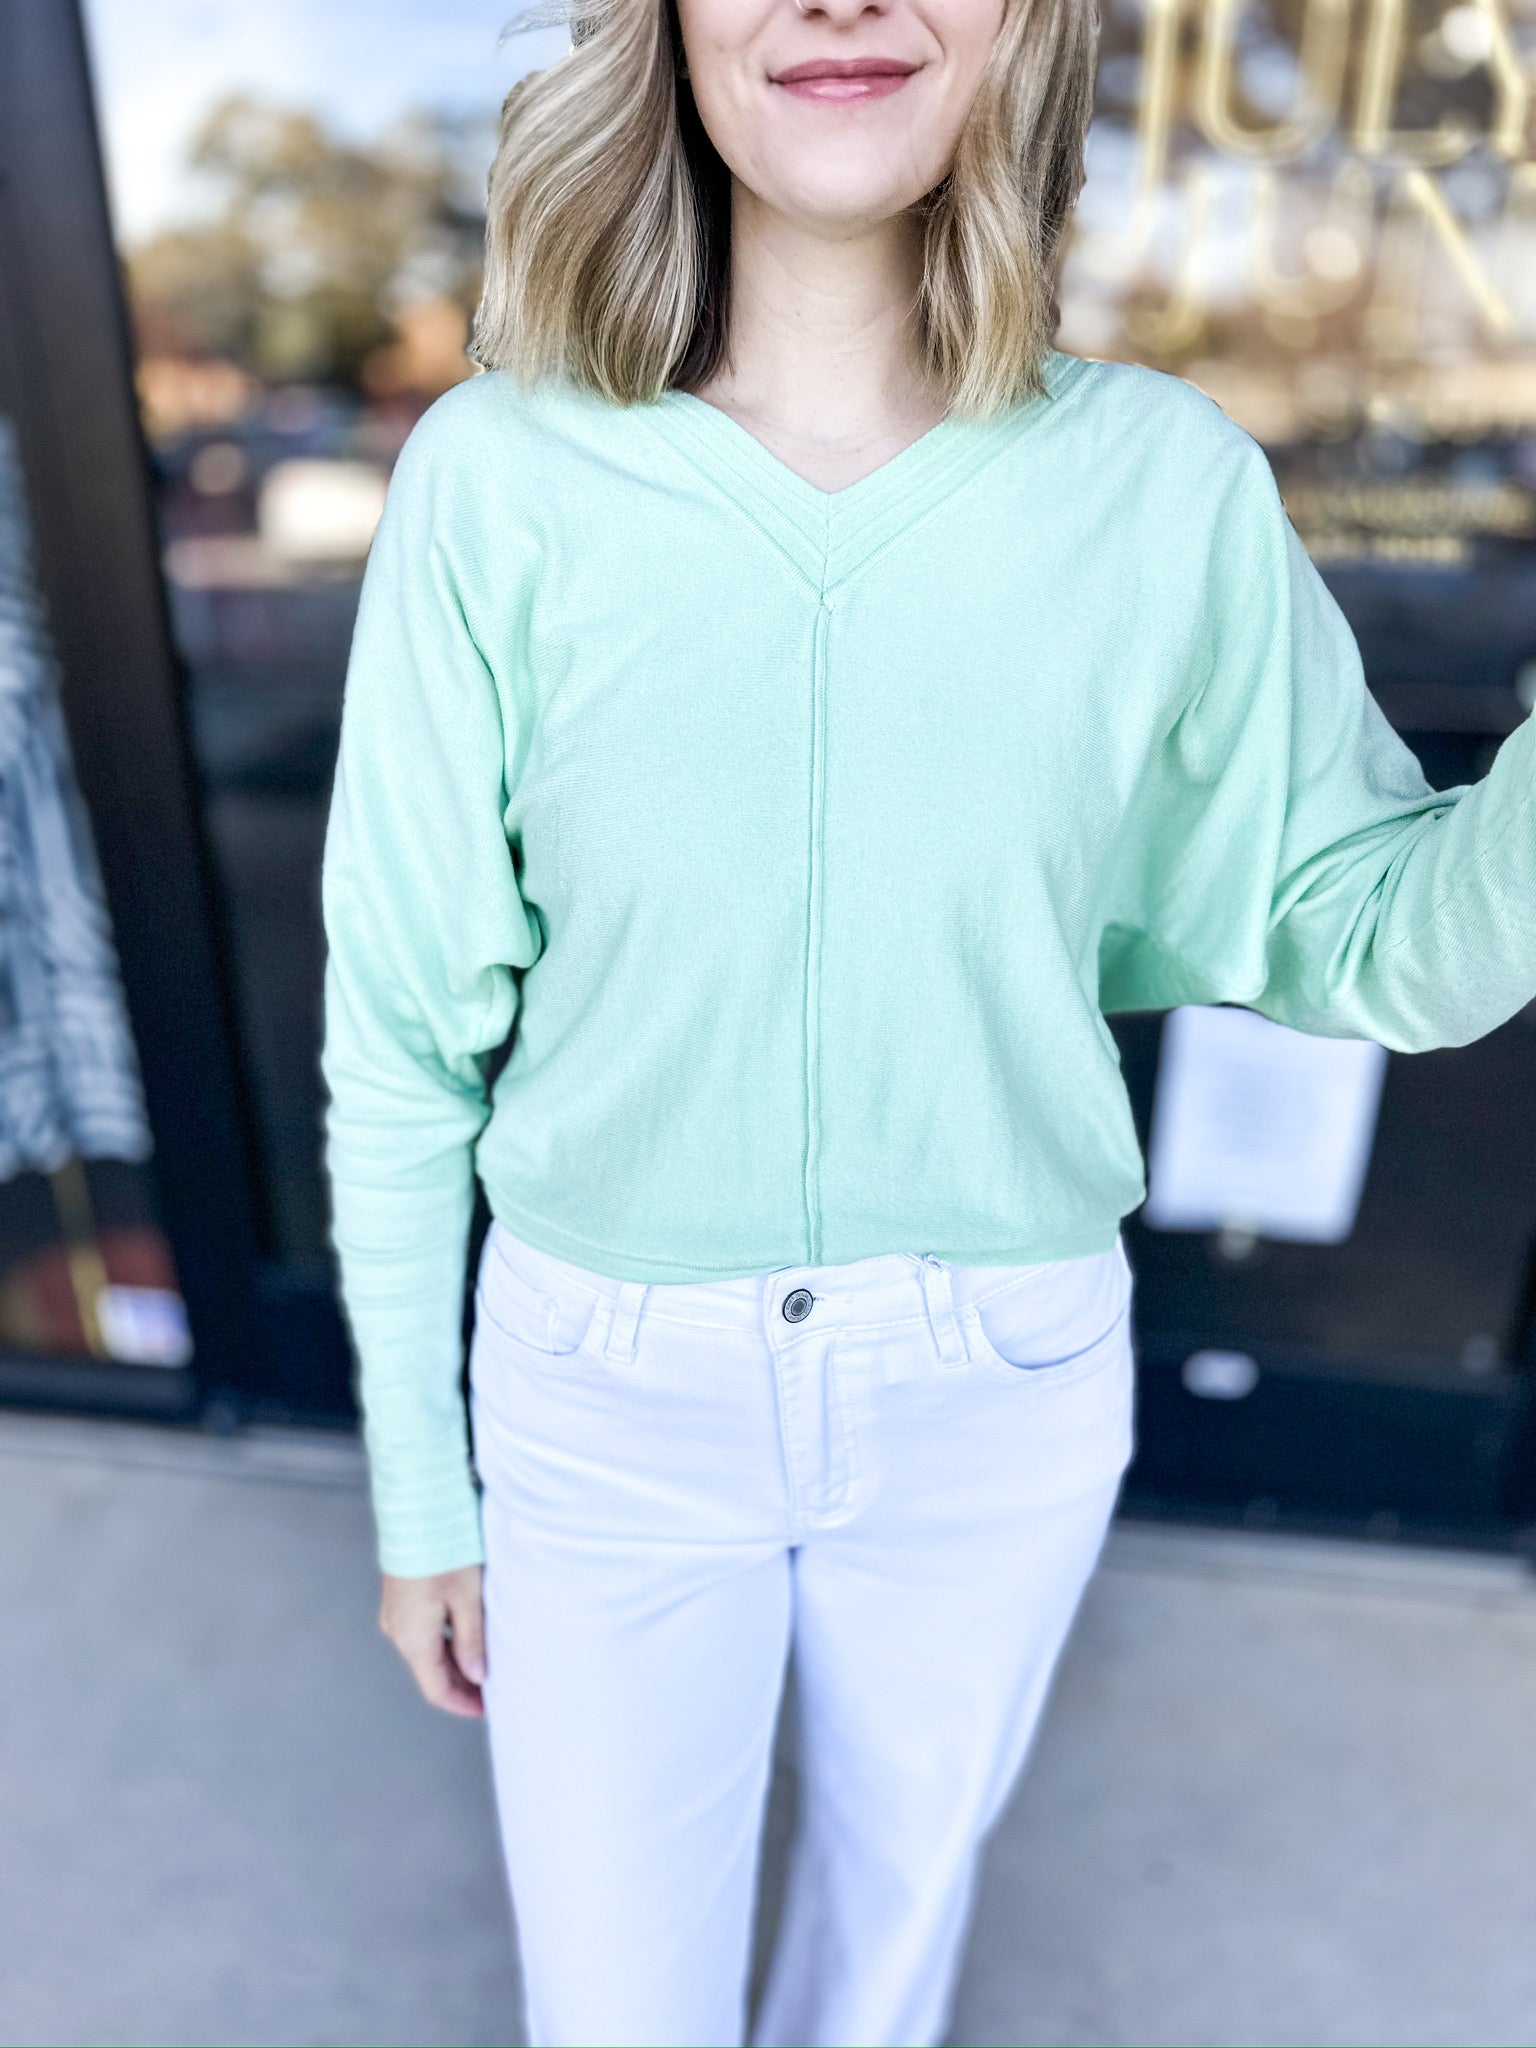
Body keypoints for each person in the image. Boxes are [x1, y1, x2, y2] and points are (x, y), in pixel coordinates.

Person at [316, 0, 1536, 2034]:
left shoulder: (1162, 488)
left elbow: (1377, 932)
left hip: (1000, 1381)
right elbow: (398, 1041)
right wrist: (418, 1491)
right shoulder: (502, 478)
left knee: (887, 1952)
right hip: (605, 1394)